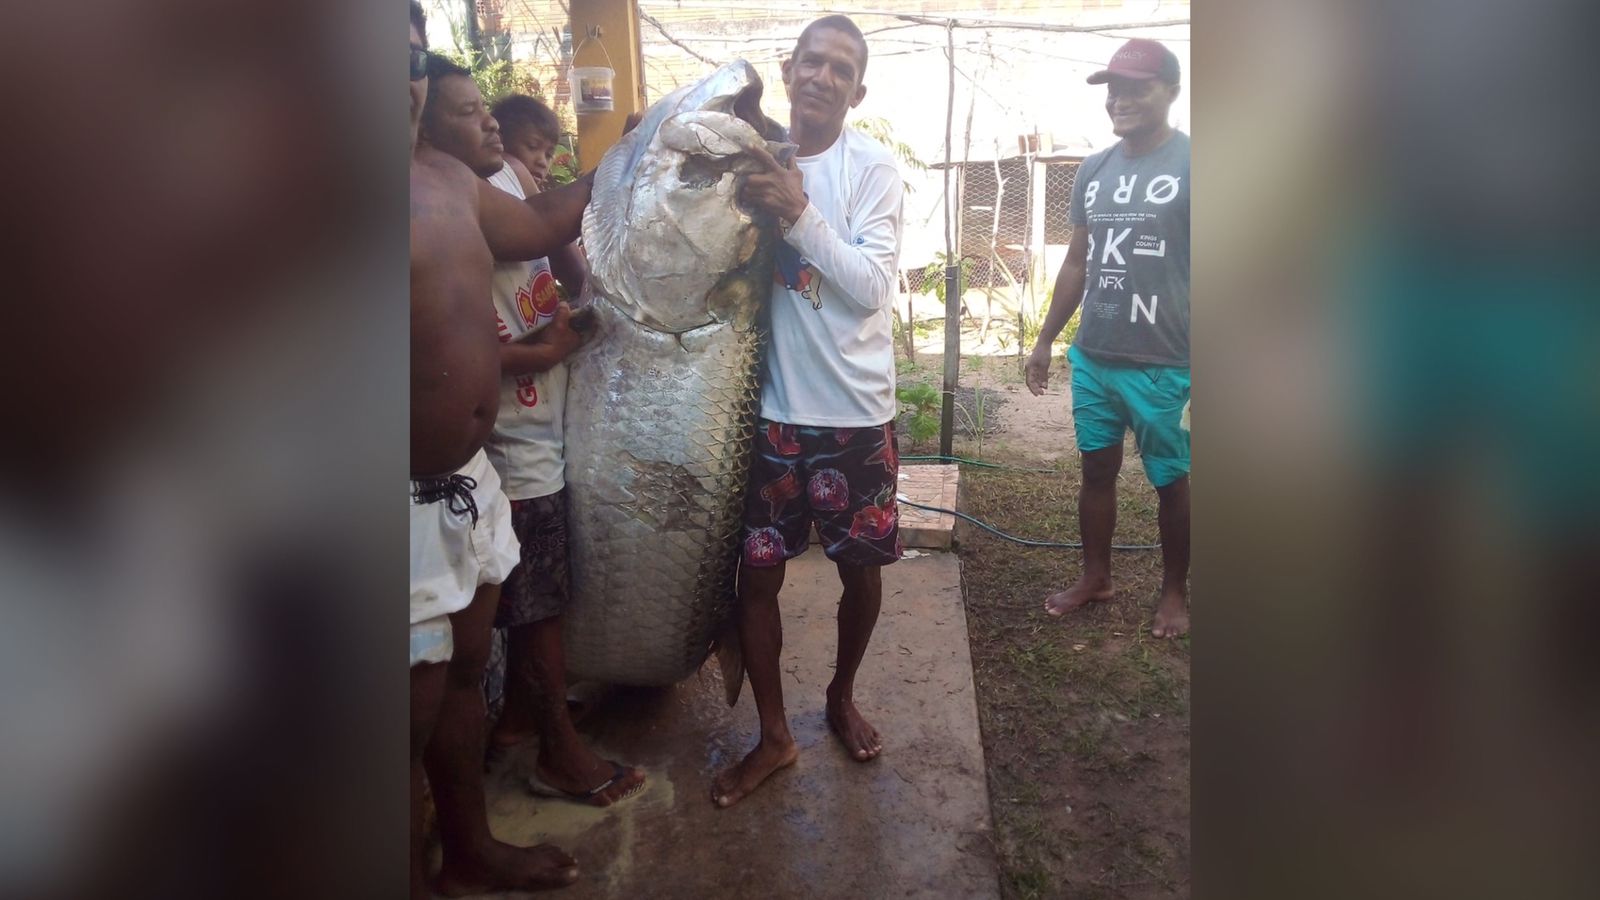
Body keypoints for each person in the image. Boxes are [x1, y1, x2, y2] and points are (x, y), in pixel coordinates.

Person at [418, 58, 645, 807]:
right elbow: (432, 351)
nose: (488, 120)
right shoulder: (432, 203)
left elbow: (554, 235)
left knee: (528, 604)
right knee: (537, 608)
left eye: (484, 106)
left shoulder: (488, 189)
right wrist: (538, 353)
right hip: (506, 447)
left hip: (530, 436)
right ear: (424, 130)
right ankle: (557, 750)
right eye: (466, 111)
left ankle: (518, 724)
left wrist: (629, 155)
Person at [408, 3, 597, 895]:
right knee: (400, 716)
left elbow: (541, 226)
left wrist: (623, 161)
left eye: (408, 57)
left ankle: (468, 850)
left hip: (469, 480)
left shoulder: (445, 178)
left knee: (464, 677)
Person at [711, 14, 905, 808]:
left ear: (858, 91)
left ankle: (840, 693)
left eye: (842, 69)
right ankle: (773, 735)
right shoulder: (751, 159)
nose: (823, 76)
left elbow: (872, 286)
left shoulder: (873, 169)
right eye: (813, 62)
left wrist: (797, 213)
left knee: (860, 573)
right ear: (789, 71)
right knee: (755, 578)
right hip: (771, 415)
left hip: (856, 414)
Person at [1024, 38, 1191, 639]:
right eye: (1113, 88)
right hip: (1095, 354)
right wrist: (1046, 339)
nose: (1119, 99)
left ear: (1172, 91)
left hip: (1166, 359)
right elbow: (1077, 261)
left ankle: (1174, 591)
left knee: (1170, 479)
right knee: (1096, 471)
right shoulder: (1094, 169)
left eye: (1136, 87)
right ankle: (1096, 577)